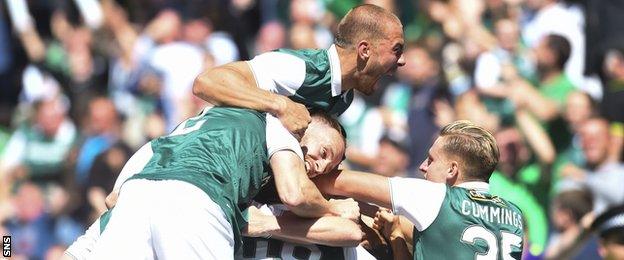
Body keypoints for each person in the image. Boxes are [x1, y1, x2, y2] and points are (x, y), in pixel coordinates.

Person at [77, 107, 357, 259]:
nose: (318, 166)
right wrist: (335, 209)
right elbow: (296, 195)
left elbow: (114, 199)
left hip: (138, 200)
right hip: (199, 204)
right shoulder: (278, 130)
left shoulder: (188, 128)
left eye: (327, 166)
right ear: (302, 126)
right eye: (323, 152)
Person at [314, 120, 525, 259]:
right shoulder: (514, 214)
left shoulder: (436, 197)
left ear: (452, 170)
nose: (423, 166)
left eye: (431, 160)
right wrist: (396, 233)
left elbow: (334, 182)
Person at [192, 4, 406, 135]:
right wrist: (281, 105)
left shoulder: (345, 97)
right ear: (365, 50)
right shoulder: (301, 68)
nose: (402, 60)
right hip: (194, 168)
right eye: (397, 49)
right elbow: (207, 82)